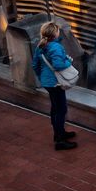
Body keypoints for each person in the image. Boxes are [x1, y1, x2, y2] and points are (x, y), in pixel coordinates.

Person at [30, 21, 78, 150]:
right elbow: (58, 65)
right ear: (55, 34)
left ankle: (59, 133)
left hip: (48, 82)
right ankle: (60, 140)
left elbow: (35, 65)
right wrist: (68, 62)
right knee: (61, 110)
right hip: (55, 83)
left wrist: (42, 77)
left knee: (55, 108)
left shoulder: (40, 46)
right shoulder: (55, 47)